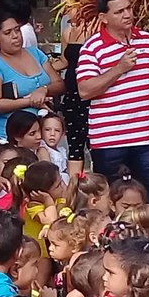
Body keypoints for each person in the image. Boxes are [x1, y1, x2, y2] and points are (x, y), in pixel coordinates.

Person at [76, 0, 149, 209]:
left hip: (146, 137)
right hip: (109, 140)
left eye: (129, 8)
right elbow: (85, 90)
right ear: (104, 18)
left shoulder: (147, 41)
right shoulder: (92, 48)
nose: (127, 14)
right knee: (110, 199)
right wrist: (119, 68)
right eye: (119, 12)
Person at [0, 6, 62, 151]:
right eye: (8, 33)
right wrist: (30, 101)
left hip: (39, 135)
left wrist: (44, 90)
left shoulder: (35, 53)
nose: (15, 36)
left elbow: (59, 84)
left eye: (17, 30)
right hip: (6, 138)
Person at [57, 11, 96, 180]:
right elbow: (64, 62)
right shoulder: (67, 31)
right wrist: (43, 67)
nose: (66, 11)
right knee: (75, 144)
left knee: (94, 143)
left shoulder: (96, 30)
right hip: (72, 93)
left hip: (92, 93)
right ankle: (74, 189)